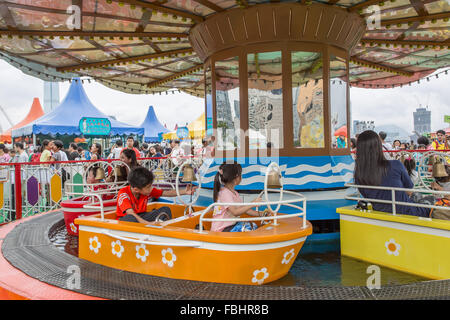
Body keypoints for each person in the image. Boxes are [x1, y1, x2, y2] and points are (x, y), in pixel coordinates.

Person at [354, 130, 429, 217]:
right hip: (408, 212)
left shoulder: (359, 174)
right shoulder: (395, 165)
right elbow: (409, 187)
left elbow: (366, 195)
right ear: (379, 146)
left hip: (380, 213)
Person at [116, 167, 196, 223]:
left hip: (142, 215)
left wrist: (184, 192)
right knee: (131, 218)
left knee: (165, 209)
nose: (151, 188)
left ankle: (161, 230)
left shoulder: (146, 190)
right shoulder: (123, 193)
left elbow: (165, 193)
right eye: (148, 187)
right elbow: (130, 212)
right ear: (136, 189)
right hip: (127, 219)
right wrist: (148, 224)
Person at [211, 163, 264, 232]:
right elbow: (235, 212)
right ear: (235, 178)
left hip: (231, 225)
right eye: (240, 174)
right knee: (249, 229)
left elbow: (245, 210)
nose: (241, 177)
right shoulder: (225, 193)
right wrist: (253, 203)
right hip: (222, 229)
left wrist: (261, 214)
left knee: (253, 225)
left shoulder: (234, 193)